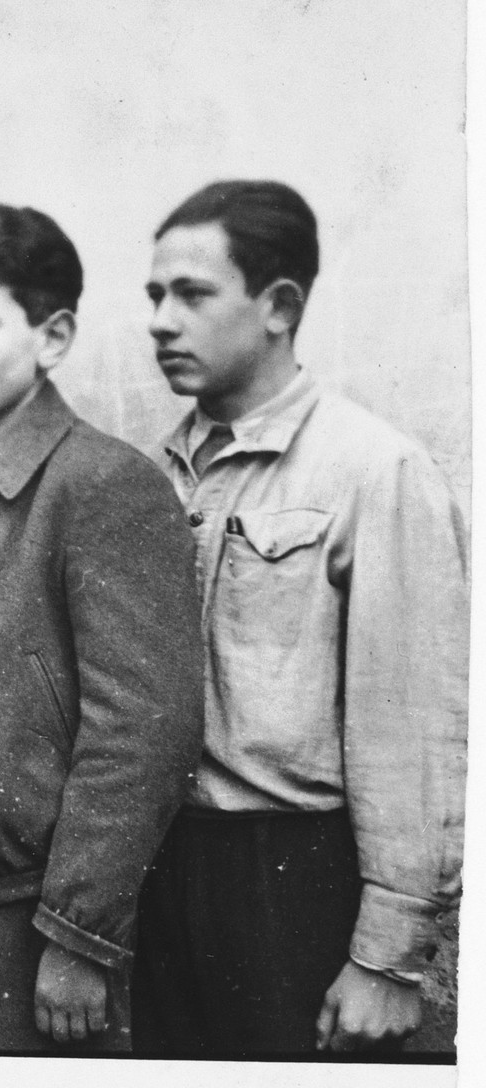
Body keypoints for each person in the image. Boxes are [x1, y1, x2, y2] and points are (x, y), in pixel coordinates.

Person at [132, 180, 468, 1056]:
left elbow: (415, 730)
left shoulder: (373, 470)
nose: (162, 321)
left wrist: (389, 960)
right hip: (160, 878)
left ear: (280, 306)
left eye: (192, 295)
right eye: (155, 296)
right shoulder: (152, 475)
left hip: (291, 884)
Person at [0, 203, 204, 1052]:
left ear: (54, 335)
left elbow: (143, 731)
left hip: (30, 921)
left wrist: (77, 936)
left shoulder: (104, 486)